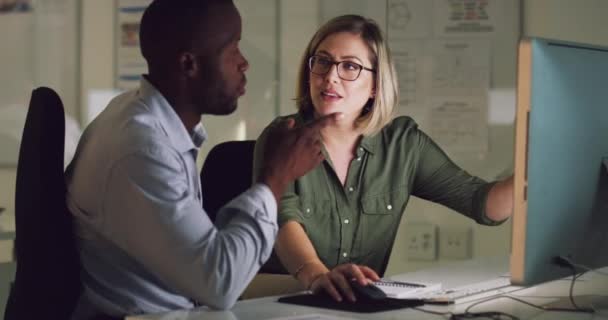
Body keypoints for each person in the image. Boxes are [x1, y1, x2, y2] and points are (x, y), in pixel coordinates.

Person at [65, 0, 342, 318]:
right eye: (233, 49)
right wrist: (274, 178)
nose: (245, 63)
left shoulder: (136, 114)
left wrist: (316, 278)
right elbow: (219, 283)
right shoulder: (142, 151)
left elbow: (207, 263)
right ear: (189, 64)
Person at [253, 14, 513, 303]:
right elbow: (283, 220)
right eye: (323, 62)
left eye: (350, 66)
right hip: (279, 301)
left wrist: (532, 167)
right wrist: (317, 275)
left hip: (355, 306)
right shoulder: (282, 136)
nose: (330, 77)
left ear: (376, 85)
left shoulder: (402, 145)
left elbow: (482, 203)